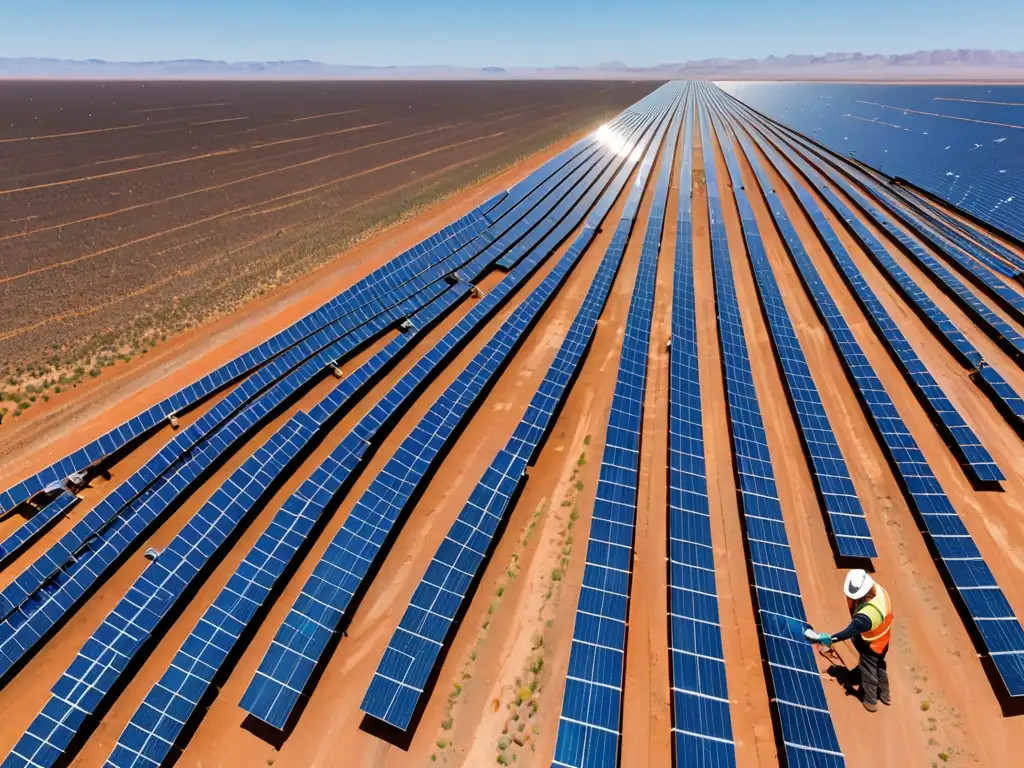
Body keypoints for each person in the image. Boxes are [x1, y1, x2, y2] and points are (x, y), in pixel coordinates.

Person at [810, 569, 893, 712]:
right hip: (884, 637)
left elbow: (847, 633)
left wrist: (829, 639)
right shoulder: (880, 591)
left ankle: (870, 701)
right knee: (880, 664)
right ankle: (885, 695)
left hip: (871, 644)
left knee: (868, 670)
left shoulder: (865, 617)